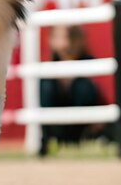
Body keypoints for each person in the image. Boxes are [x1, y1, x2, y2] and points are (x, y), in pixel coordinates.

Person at [39, 25, 104, 156]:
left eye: (69, 36)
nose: (65, 42)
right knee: (47, 85)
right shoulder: (47, 70)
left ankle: (89, 140)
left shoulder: (91, 63)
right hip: (57, 129)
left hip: (84, 129)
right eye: (59, 37)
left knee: (82, 86)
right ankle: (49, 143)